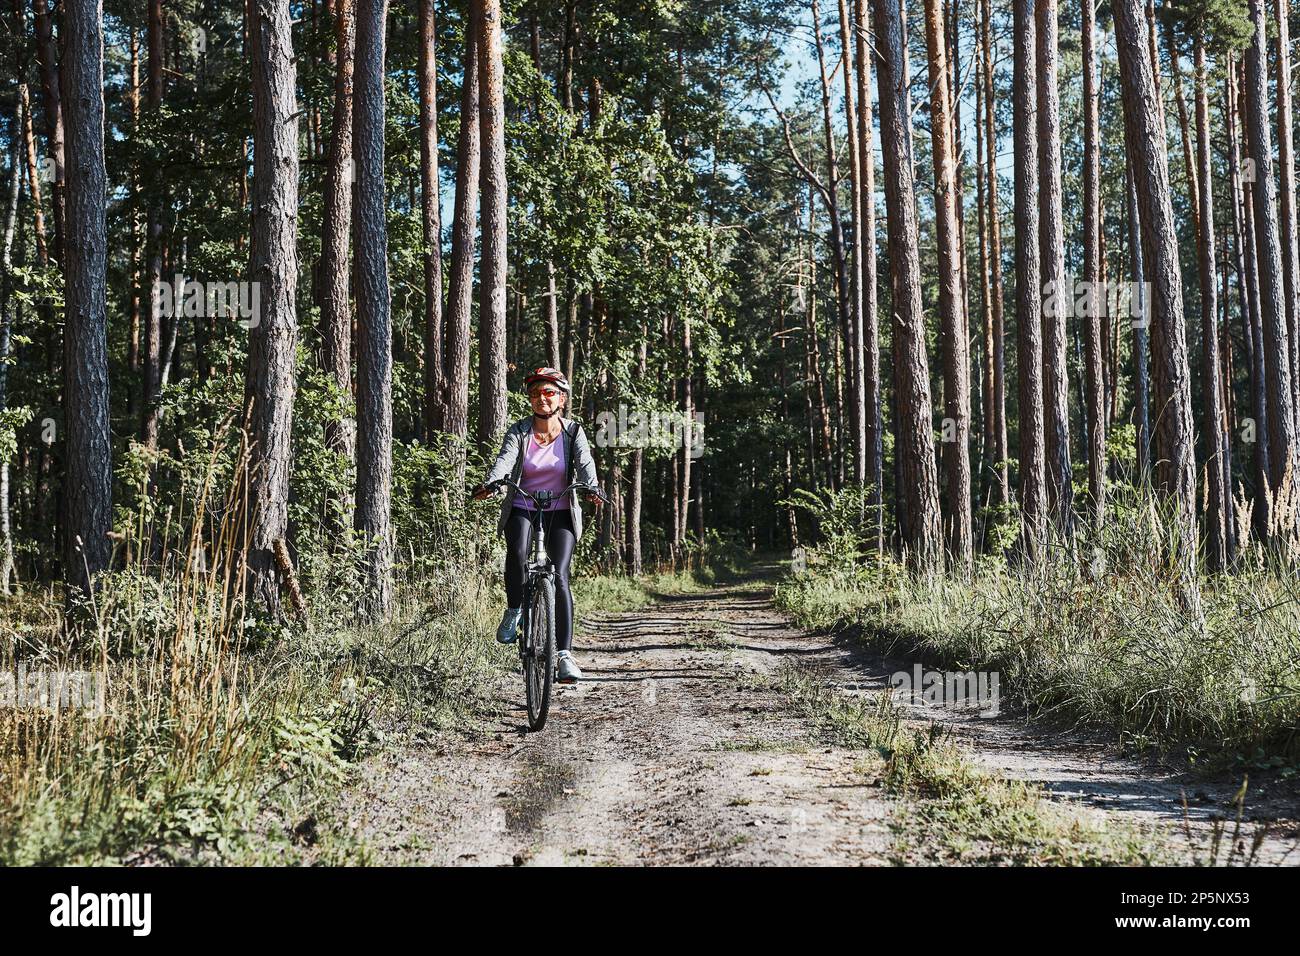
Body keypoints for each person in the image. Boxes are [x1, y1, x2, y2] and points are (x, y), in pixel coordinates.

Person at [471, 367, 602, 683]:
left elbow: (585, 464)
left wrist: (592, 487)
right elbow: (505, 460)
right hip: (523, 506)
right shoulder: (520, 431)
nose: (541, 399)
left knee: (559, 575)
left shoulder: (573, 433)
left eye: (549, 393)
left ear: (562, 398)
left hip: (560, 510)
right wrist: (493, 483)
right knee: (516, 552)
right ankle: (514, 610)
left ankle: (564, 655)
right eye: (535, 394)